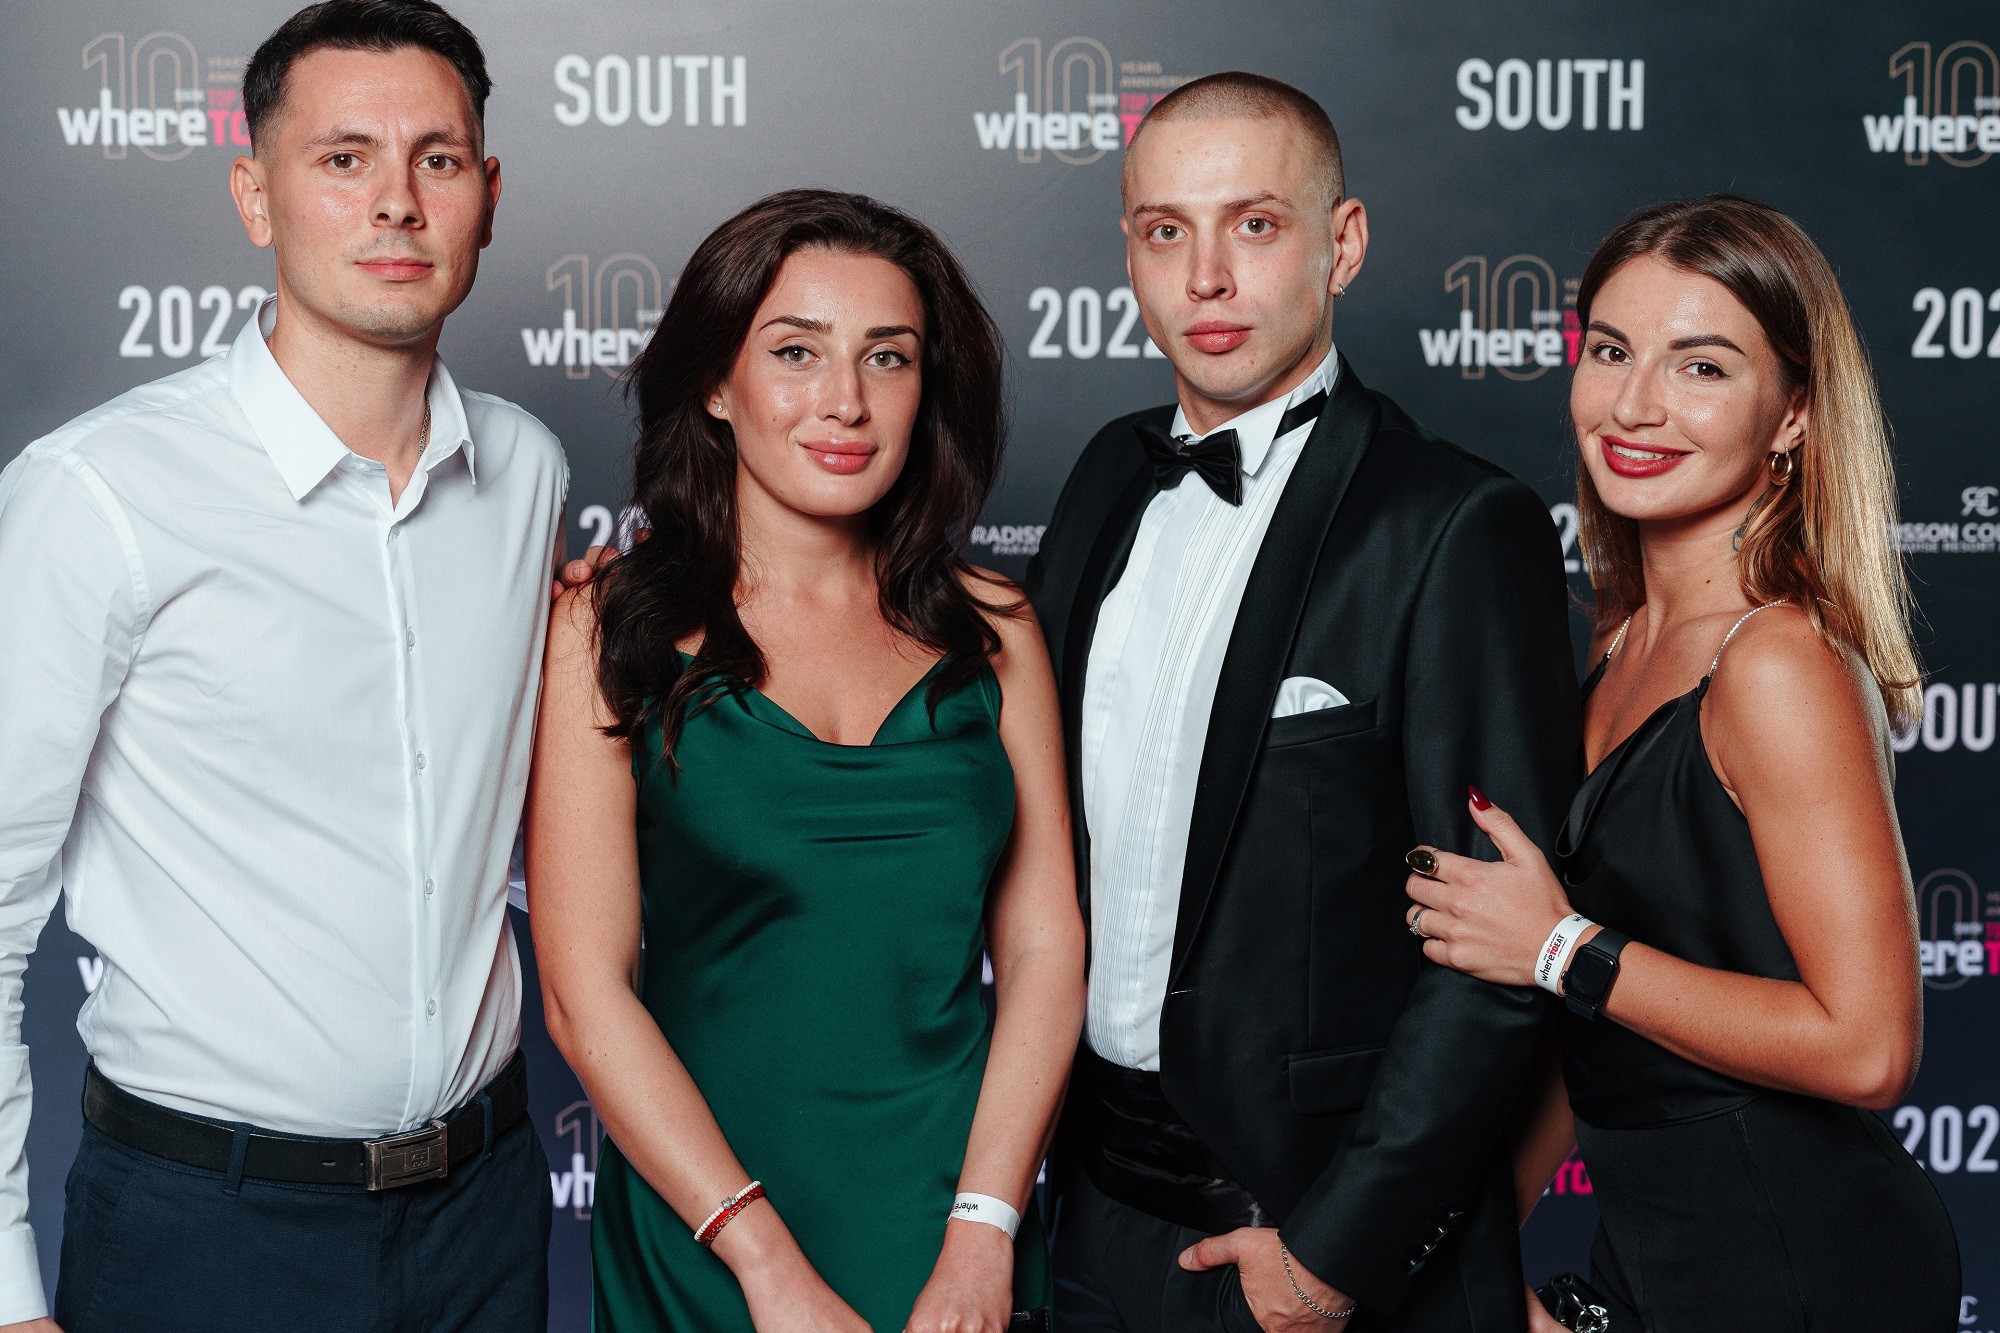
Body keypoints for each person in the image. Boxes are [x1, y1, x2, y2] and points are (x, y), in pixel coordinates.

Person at [0, 3, 567, 1331]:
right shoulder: (98, 493)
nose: (396, 202)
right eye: (342, 158)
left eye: (437, 159)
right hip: (206, 1227)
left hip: (485, 1210)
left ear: (488, 197)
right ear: (255, 196)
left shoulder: (527, 472)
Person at [1028, 73, 1580, 1332]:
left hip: (1303, 1237)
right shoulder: (1107, 473)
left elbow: (1496, 951)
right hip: (1088, 1218)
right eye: (1164, 230)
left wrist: (1335, 1255)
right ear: (1128, 252)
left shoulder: (1454, 524)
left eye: (1254, 224)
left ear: (1343, 243)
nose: (1205, 278)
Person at [528, 188, 1085, 1333]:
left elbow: (1042, 950)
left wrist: (984, 1228)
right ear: (714, 382)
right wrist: (765, 1267)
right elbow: (586, 994)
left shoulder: (995, 629)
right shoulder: (607, 627)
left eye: (887, 357)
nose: (845, 401)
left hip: (952, 1224)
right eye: (796, 352)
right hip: (708, 1228)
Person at [1402, 195, 1960, 1330]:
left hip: (1801, 1270)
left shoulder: (1778, 659)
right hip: (1650, 1260)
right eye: (1610, 351)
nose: (1634, 404)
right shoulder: (1615, 638)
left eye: (1700, 367)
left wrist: (1558, 945)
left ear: (1793, 414)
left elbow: (1868, 1048)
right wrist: (1443, 1258)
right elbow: (1601, 1030)